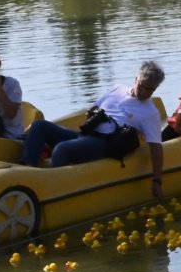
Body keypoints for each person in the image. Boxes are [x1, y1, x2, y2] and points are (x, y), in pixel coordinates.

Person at [18, 62, 168, 200]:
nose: (144, 92)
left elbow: (156, 147)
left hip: (105, 144)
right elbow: (92, 109)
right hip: (86, 135)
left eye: (150, 90)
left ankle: (52, 195)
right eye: (141, 86)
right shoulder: (117, 89)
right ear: (136, 79)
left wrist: (157, 180)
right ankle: (26, 174)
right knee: (39, 126)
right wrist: (94, 115)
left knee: (61, 149)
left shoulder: (150, 113)